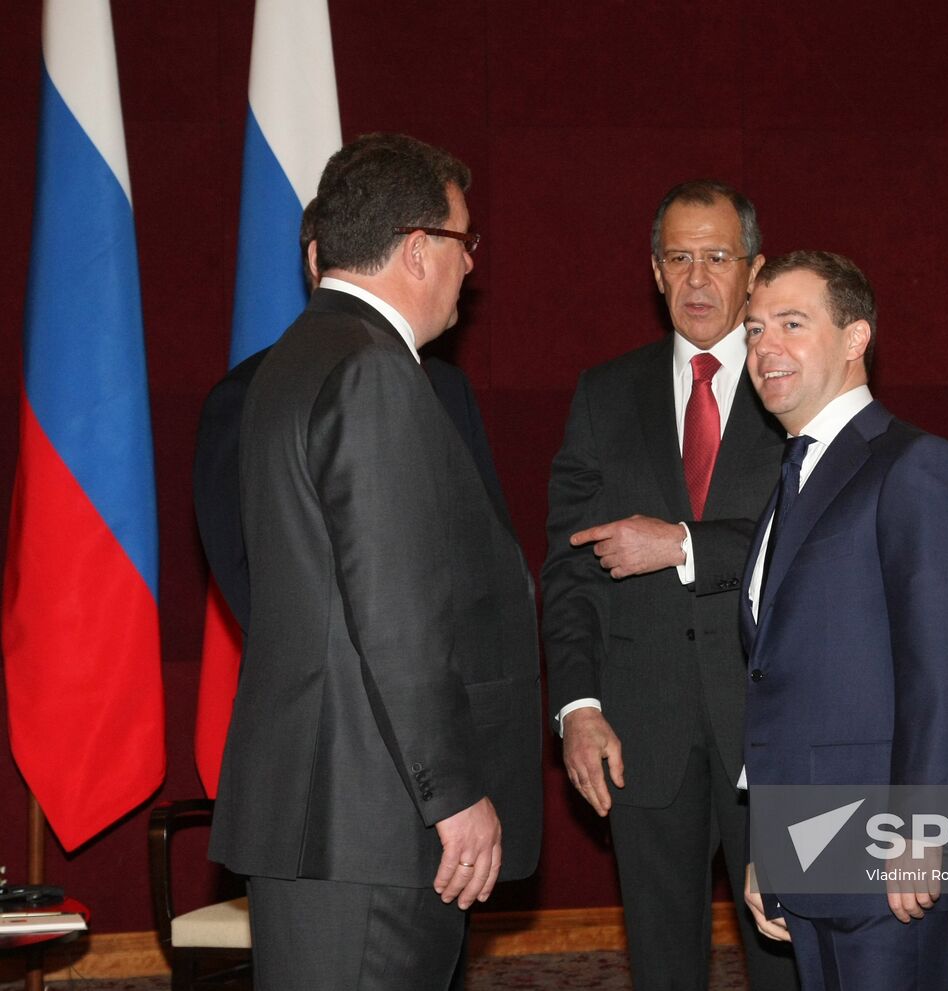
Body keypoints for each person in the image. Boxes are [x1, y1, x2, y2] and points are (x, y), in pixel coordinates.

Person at [208, 133, 541, 991]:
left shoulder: (296, 360)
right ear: (419, 248)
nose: (473, 266)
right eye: (467, 242)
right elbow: (395, 612)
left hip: (328, 818)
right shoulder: (375, 372)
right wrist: (454, 794)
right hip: (373, 821)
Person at [542, 180, 797, 989]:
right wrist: (578, 707)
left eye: (717, 257)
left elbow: (813, 543)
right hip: (640, 732)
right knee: (660, 966)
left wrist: (683, 544)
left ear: (753, 270)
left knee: (788, 957)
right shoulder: (604, 393)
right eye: (678, 258)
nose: (696, 278)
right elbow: (570, 567)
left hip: (774, 730)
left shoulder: (794, 384)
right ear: (654, 273)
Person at [739, 251, 948, 990]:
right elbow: (778, 681)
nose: (764, 348)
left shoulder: (916, 466)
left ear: (855, 338)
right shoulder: (792, 479)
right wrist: (768, 847)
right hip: (807, 854)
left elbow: (943, 669)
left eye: (791, 323)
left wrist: (925, 831)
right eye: (753, 330)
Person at [193, 197, 517, 633]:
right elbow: (250, 578)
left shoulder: (446, 386)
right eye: (458, 241)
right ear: (315, 259)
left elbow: (485, 552)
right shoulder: (244, 395)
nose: (468, 264)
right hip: (331, 690)